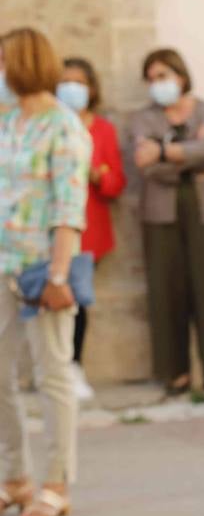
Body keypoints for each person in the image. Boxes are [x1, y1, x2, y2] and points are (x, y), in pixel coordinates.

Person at [0, 28, 91, 516]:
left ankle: (56, 483)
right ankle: (14, 476)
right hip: (2, 264)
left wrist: (58, 275)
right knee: (1, 376)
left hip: (43, 268)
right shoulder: (7, 121)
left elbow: (68, 207)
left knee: (51, 374)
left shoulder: (64, 126)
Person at [127, 48, 204, 400]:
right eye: (151, 79)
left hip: (203, 208)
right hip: (161, 210)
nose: (157, 84)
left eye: (163, 76)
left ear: (180, 76)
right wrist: (192, 158)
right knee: (166, 291)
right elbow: (146, 166)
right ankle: (176, 373)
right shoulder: (143, 118)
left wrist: (162, 149)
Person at [57, 58, 126, 402]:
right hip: (54, 228)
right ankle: (54, 368)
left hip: (88, 230)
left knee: (76, 299)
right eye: (65, 81)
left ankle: (74, 366)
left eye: (79, 82)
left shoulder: (102, 130)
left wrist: (99, 175)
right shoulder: (51, 125)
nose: (72, 88)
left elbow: (116, 182)